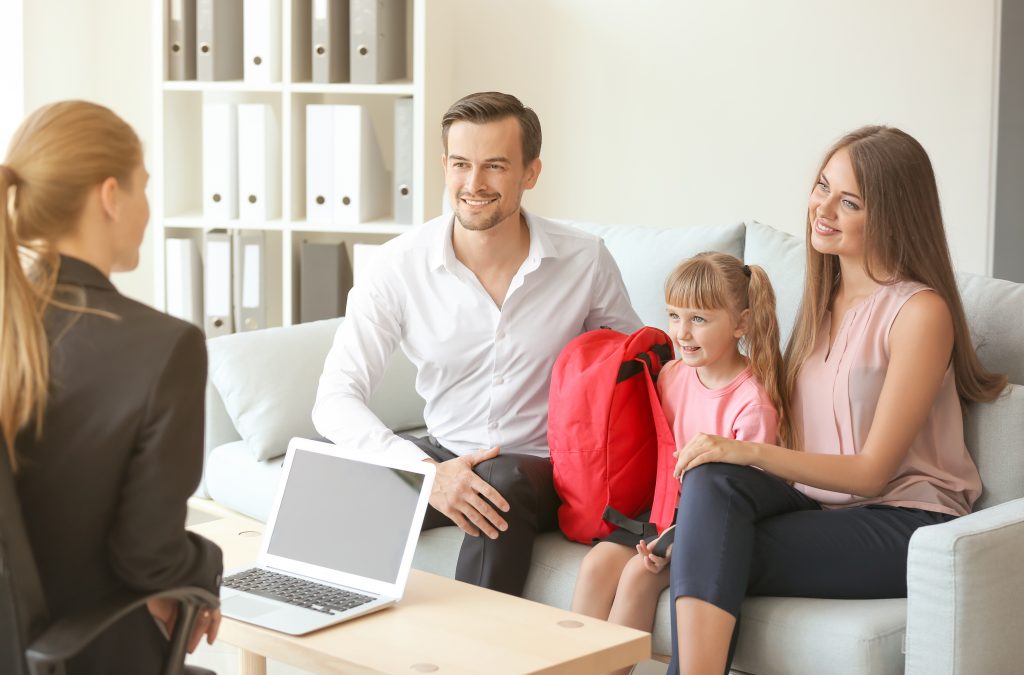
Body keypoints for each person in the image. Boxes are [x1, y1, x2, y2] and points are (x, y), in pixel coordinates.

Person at [665, 126, 1009, 674]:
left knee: (708, 547)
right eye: (821, 187)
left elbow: (872, 473)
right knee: (710, 486)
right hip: (820, 508)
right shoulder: (820, 302)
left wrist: (744, 450)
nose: (821, 209)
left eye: (848, 201)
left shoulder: (920, 313)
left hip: (905, 521)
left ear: (892, 215)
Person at [313, 91, 642, 596]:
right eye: (461, 165)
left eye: (494, 166)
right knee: (328, 485)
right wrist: (429, 473)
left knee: (497, 483)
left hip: (541, 468)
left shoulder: (585, 261)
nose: (474, 184)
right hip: (444, 450)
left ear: (530, 173)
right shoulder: (397, 266)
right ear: (444, 165)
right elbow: (334, 399)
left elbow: (636, 371)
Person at [1, 101, 223, 674]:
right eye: (143, 187)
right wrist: (206, 567)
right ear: (109, 196)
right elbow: (147, 561)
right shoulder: (163, 347)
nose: (148, 210)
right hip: (87, 653)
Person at [570, 252, 786, 672]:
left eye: (699, 320)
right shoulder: (671, 375)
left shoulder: (752, 403)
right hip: (662, 514)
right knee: (597, 564)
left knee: (637, 575)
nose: (682, 333)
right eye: (674, 316)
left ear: (741, 323)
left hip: (709, 530)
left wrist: (671, 542)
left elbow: (746, 503)